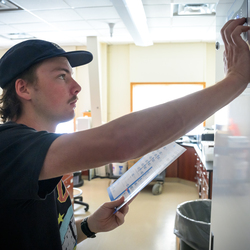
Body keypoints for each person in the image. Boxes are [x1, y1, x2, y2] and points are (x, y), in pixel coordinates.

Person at [0, 18, 249, 249]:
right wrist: (236, 79)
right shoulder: (8, 146)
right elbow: (120, 141)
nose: (77, 87)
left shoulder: (44, 153)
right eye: (62, 76)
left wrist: (89, 226)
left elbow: (50, 235)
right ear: (24, 88)